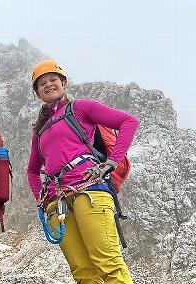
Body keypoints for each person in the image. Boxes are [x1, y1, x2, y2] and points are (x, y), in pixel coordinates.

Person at [26, 59, 139, 284]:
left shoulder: (80, 108)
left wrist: (111, 162)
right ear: (37, 92)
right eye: (42, 83)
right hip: (56, 203)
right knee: (82, 273)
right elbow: (32, 171)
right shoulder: (39, 130)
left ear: (64, 83)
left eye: (53, 80)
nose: (48, 85)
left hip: (90, 190)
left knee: (107, 263)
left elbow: (129, 122)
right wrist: (41, 198)